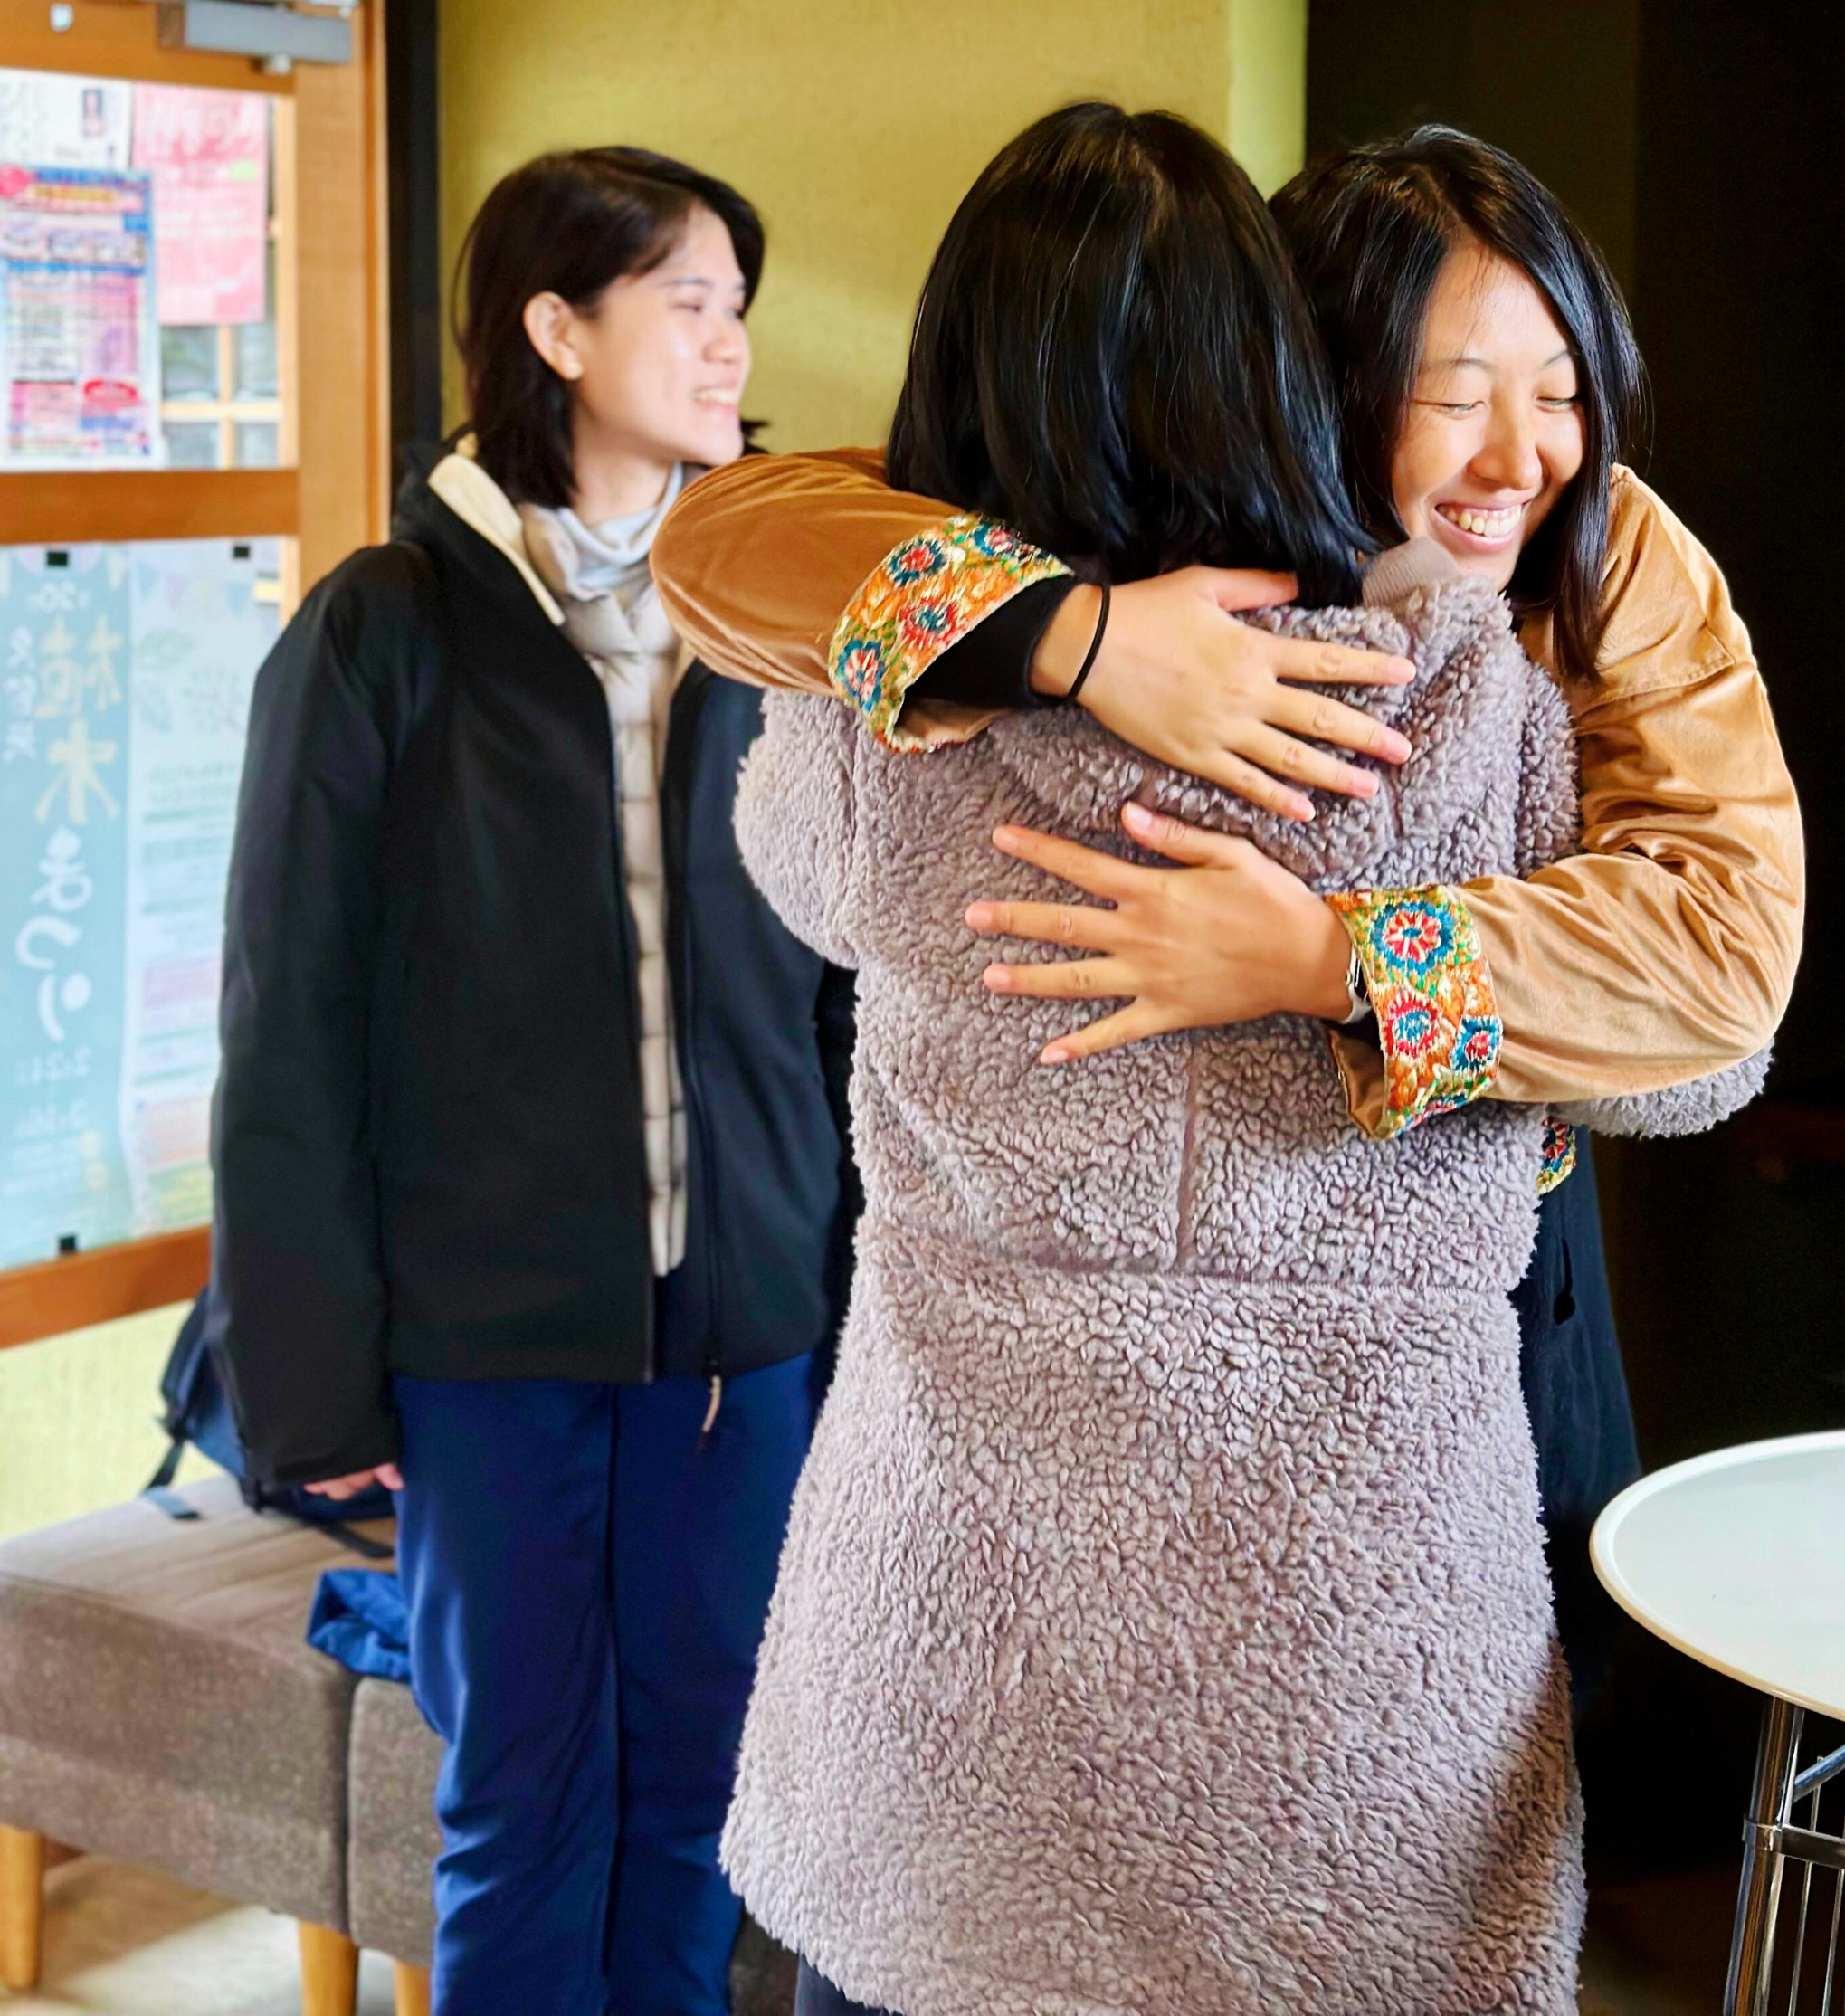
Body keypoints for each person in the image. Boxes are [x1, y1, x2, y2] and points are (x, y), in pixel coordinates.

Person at [715, 100, 1764, 2016]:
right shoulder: (1476, 707)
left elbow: (1715, 981)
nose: (1526, 453)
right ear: (1302, 374)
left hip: (966, 1666)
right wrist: (1072, 636)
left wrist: (1333, 954)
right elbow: (1690, 1063)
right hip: (1349, 1655)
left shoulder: (1598, 571)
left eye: (1562, 388)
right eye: (1461, 392)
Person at [210, 147, 856, 2016]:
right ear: (557, 328)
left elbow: (836, 993)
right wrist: (311, 1376)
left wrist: (845, 1291)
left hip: (744, 1333)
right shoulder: (381, 631)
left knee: (705, 1806)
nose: (732, 344)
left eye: (740, 305)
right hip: (490, 1338)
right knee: (518, 1803)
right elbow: (290, 1028)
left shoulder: (781, 634)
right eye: (691, 302)